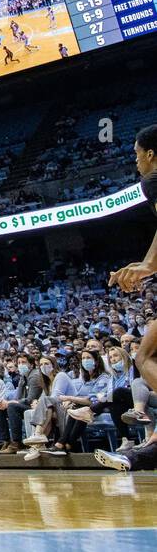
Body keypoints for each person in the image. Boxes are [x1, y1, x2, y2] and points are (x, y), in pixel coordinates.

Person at [110, 126, 157, 394]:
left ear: (150, 154)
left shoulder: (152, 180)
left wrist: (148, 265)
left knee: (145, 357)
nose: (136, 161)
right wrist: (145, 265)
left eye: (137, 155)